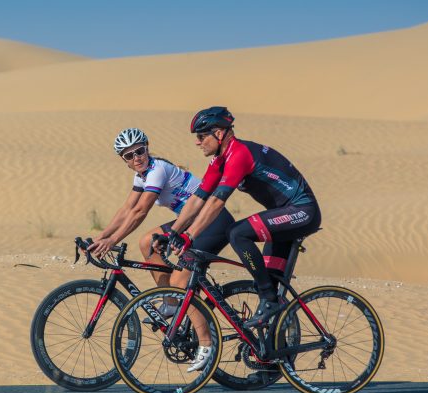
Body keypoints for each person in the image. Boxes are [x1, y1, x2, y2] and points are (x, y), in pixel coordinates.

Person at [163, 106, 321, 341]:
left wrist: (191, 235)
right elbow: (198, 199)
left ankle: (269, 299)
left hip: (302, 212)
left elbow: (216, 202)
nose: (197, 142)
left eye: (201, 136)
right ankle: (272, 357)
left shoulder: (239, 154)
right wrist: (174, 232)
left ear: (218, 134)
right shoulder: (220, 161)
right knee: (270, 280)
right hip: (283, 215)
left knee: (237, 233)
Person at [87, 128, 235, 371]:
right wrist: (100, 237)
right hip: (189, 223)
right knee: (147, 241)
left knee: (180, 283)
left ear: (147, 147)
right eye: (129, 155)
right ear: (124, 160)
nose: (136, 157)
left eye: (139, 151)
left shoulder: (158, 170)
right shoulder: (142, 175)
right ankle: (171, 301)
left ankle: (206, 344)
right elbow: (127, 209)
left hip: (212, 223)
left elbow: (140, 211)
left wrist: (112, 242)